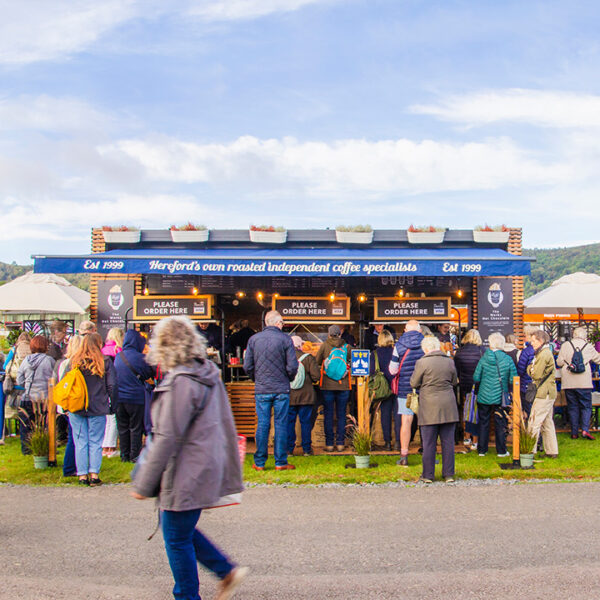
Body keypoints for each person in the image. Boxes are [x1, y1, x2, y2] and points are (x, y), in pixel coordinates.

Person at [131, 316, 247, 600]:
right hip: (204, 464)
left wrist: (143, 483)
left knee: (176, 536)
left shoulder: (180, 382)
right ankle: (226, 571)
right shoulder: (206, 373)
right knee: (180, 530)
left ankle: (189, 595)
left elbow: (167, 437)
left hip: (186, 470)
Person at [244, 310, 298, 470]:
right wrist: (288, 378)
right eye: (282, 323)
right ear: (277, 323)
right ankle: (280, 462)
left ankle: (259, 463)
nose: (282, 326)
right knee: (281, 424)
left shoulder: (253, 340)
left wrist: (257, 378)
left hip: (262, 389)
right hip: (281, 389)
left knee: (262, 424)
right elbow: (292, 366)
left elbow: (247, 366)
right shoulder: (285, 340)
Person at [64, 333, 117, 485]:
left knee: (80, 441)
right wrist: (113, 404)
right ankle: (94, 474)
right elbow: (112, 385)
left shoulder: (73, 362)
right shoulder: (105, 361)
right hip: (98, 406)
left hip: (77, 406)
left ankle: (82, 475)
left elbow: (65, 384)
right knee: (95, 441)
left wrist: (66, 405)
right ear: (98, 344)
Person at [410, 336, 459, 483]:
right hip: (448, 406)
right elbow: (454, 381)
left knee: (429, 443)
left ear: (425, 349)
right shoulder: (449, 362)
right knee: (448, 443)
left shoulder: (422, 362)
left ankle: (428, 475)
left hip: (429, 406)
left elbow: (414, 382)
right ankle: (449, 474)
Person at [472, 332, 517, 457]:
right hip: (500, 397)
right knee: (501, 423)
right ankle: (501, 450)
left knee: (483, 423)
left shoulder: (484, 358)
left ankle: (482, 450)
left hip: (483, 396)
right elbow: (513, 379)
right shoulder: (507, 359)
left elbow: (476, 377)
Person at [114, 329, 155, 463]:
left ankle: (124, 455)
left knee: (122, 427)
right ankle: (134, 455)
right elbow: (149, 373)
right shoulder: (140, 358)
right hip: (136, 397)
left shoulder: (119, 356)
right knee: (135, 428)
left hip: (119, 398)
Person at [389, 320, 424, 465]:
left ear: (405, 330)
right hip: (424, 389)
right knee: (426, 422)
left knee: (406, 421)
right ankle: (428, 453)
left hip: (405, 389)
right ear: (420, 330)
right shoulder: (426, 344)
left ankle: (404, 456)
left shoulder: (398, 345)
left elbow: (393, 370)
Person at [556, 327, 600, 440]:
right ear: (584, 335)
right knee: (586, 406)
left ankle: (574, 432)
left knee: (572, 407)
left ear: (573, 334)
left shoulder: (566, 345)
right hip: (584, 382)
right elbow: (598, 359)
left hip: (569, 381)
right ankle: (585, 429)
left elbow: (559, 362)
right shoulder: (588, 346)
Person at [16, 336, 55, 455]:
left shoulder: (26, 360)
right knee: (46, 425)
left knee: (26, 426)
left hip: (28, 396)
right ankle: (47, 448)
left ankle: (27, 449)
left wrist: (27, 385)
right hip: (45, 397)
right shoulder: (49, 360)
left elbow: (19, 378)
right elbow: (54, 378)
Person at [315, 324, 351, 452]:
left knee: (328, 415)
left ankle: (329, 444)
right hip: (344, 385)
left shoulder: (324, 345)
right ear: (340, 334)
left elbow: (317, 361)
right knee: (342, 414)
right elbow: (353, 362)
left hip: (327, 386)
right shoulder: (347, 346)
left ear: (329, 334)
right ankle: (341, 443)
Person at [527, 329, 559, 457]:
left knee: (534, 421)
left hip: (543, 392)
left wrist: (530, 369)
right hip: (548, 391)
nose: (531, 343)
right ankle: (552, 451)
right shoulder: (544, 353)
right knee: (547, 422)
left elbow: (536, 374)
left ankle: (530, 450)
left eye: (534, 340)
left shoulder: (543, 354)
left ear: (541, 341)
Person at [288, 336, 320, 456]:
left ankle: (289, 449)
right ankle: (306, 449)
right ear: (300, 346)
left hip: (290, 395)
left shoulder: (285, 358)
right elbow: (316, 376)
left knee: (289, 422)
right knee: (305, 422)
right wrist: (308, 380)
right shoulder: (308, 358)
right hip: (306, 396)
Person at [56, 335, 83, 477]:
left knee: (73, 436)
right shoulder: (72, 364)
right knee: (74, 437)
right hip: (71, 404)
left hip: (65, 404)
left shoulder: (64, 363)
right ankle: (70, 467)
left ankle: (72, 466)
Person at [454, 329, 485, 448]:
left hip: (465, 386)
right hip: (480, 385)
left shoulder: (460, 352)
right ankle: (475, 439)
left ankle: (467, 437)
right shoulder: (483, 351)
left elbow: (456, 370)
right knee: (477, 412)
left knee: (468, 411)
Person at [369, 329, 398, 451]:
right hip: (396, 386)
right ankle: (398, 442)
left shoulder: (375, 354)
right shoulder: (396, 352)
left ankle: (387, 442)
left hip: (382, 389)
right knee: (398, 415)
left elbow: (371, 371)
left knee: (385, 415)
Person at [101, 328, 124, 458]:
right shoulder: (118, 351)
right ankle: (111, 448)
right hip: (114, 387)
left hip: (101, 388)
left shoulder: (102, 351)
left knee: (106, 419)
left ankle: (104, 446)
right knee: (114, 419)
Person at [517, 325, 537, 418]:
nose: (523, 338)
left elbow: (521, 369)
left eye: (525, 335)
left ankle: (531, 431)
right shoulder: (543, 349)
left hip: (527, 385)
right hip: (538, 385)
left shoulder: (527, 351)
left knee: (529, 411)